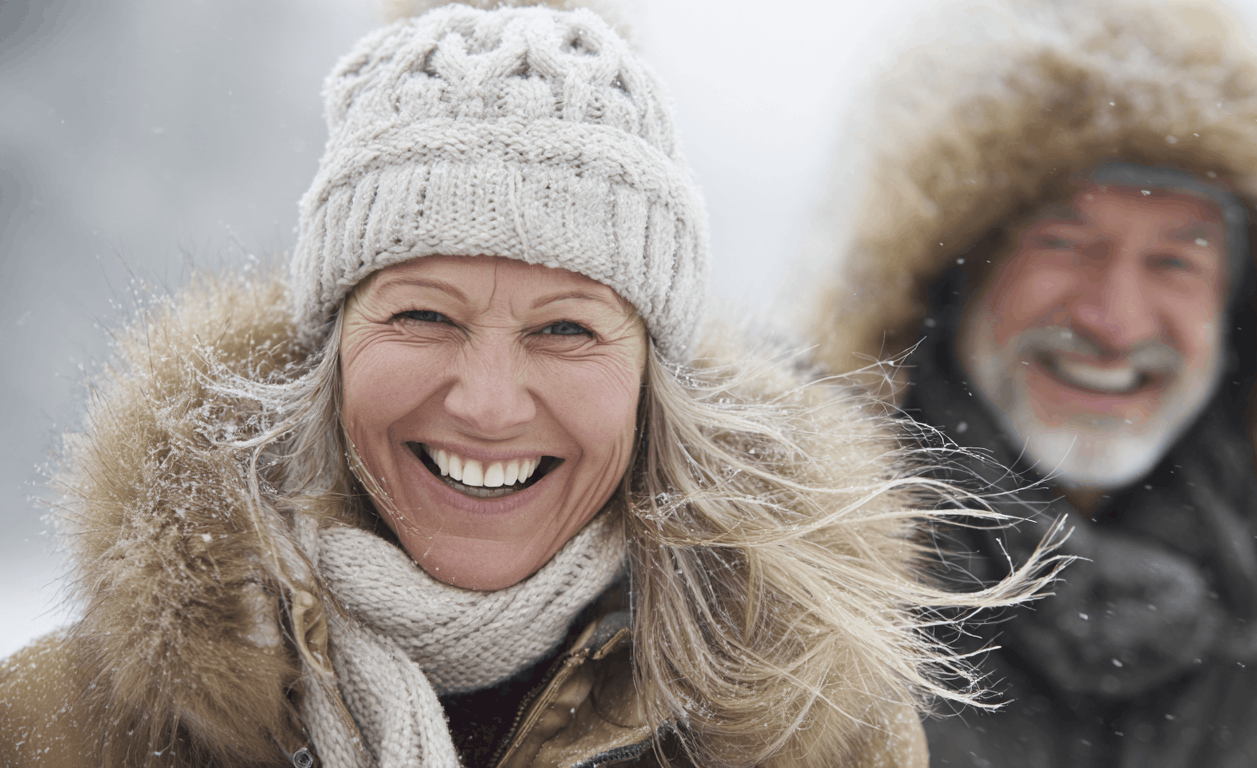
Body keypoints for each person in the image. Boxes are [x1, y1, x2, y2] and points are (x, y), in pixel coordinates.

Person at [0, 2, 1053, 767]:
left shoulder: (811, 735)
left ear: (651, 386)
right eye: (422, 315)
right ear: (327, 349)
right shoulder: (69, 724)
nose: (490, 403)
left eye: (566, 329)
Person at [805, 0, 1257, 765]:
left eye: (1175, 259)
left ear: (1246, 305)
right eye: (1065, 241)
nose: (1114, 322)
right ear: (949, 271)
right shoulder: (805, 576)